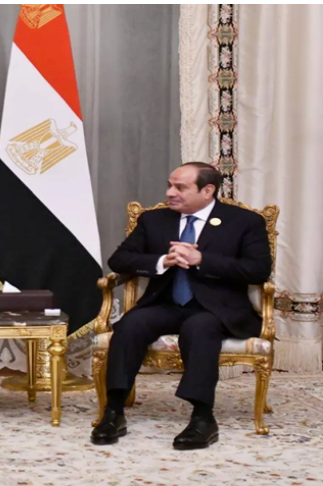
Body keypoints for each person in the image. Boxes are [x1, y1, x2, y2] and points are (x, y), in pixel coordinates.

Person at [91, 162, 272, 450]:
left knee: (199, 328)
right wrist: (162, 261)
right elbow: (120, 260)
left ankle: (202, 418)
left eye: (180, 187)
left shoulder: (244, 222)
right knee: (130, 325)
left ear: (207, 190)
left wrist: (203, 260)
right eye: (170, 185)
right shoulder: (154, 220)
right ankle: (113, 411)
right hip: (166, 303)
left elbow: (258, 270)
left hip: (217, 309)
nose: (170, 193)